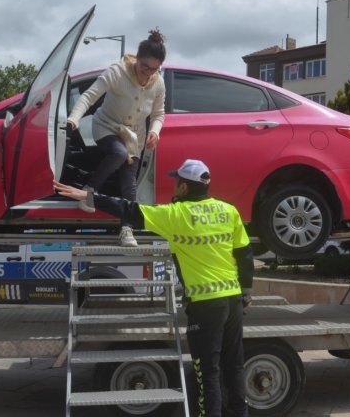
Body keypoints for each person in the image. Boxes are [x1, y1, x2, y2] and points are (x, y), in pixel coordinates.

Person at [54, 159, 254, 417]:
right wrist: (246, 292)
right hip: (233, 300)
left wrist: (90, 196)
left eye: (176, 181)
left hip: (206, 306)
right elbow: (245, 255)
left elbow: (128, 208)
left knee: (208, 372)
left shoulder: (174, 216)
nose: (173, 184)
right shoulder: (228, 211)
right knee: (234, 366)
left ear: (183, 187)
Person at [66, 28, 167, 247]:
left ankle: (126, 229)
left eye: (154, 69)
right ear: (136, 59)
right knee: (119, 153)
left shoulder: (157, 82)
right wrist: (74, 119)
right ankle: (88, 190)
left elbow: (159, 114)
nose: (148, 74)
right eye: (144, 67)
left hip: (135, 137)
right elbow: (88, 96)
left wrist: (155, 131)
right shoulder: (117, 72)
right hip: (107, 127)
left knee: (129, 182)